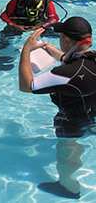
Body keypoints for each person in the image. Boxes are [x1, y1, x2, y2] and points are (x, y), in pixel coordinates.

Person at [19, 16, 96, 198]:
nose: (59, 39)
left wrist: (26, 50)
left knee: (67, 153)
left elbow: (27, 85)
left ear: (67, 40)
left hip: (70, 123)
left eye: (61, 36)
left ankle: (69, 187)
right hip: (92, 115)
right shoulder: (91, 59)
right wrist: (48, 48)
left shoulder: (63, 74)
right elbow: (72, 61)